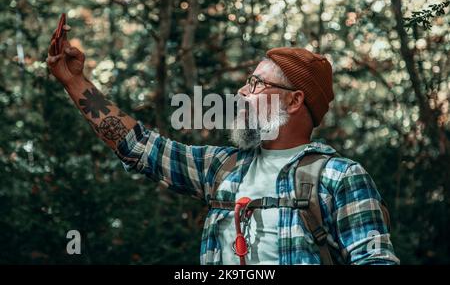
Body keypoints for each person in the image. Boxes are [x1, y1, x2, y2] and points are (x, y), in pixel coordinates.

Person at [46, 24, 399, 265]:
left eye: (257, 84)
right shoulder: (222, 167)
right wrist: (74, 82)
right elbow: (138, 146)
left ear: (294, 102)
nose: (242, 93)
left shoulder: (340, 178)